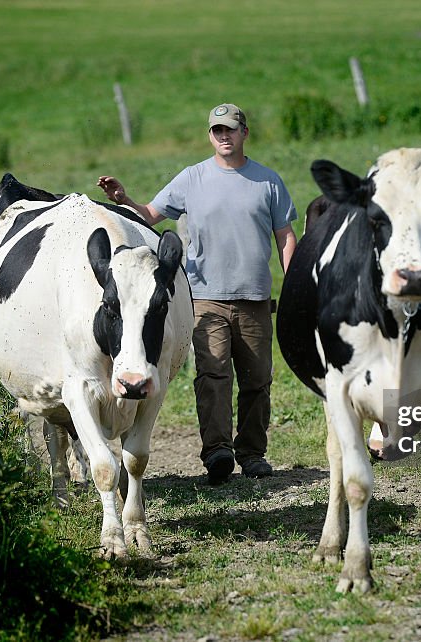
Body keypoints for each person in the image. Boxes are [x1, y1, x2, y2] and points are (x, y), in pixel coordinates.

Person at [97, 103, 298, 485]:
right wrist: (124, 199)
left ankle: (253, 454)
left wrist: (294, 281)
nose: (224, 136)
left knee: (258, 380)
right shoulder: (191, 179)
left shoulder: (268, 182)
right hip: (204, 297)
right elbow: (151, 215)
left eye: (231, 129)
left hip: (255, 298)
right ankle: (218, 451)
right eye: (217, 130)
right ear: (210, 136)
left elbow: (285, 235)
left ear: (244, 133)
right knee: (213, 375)